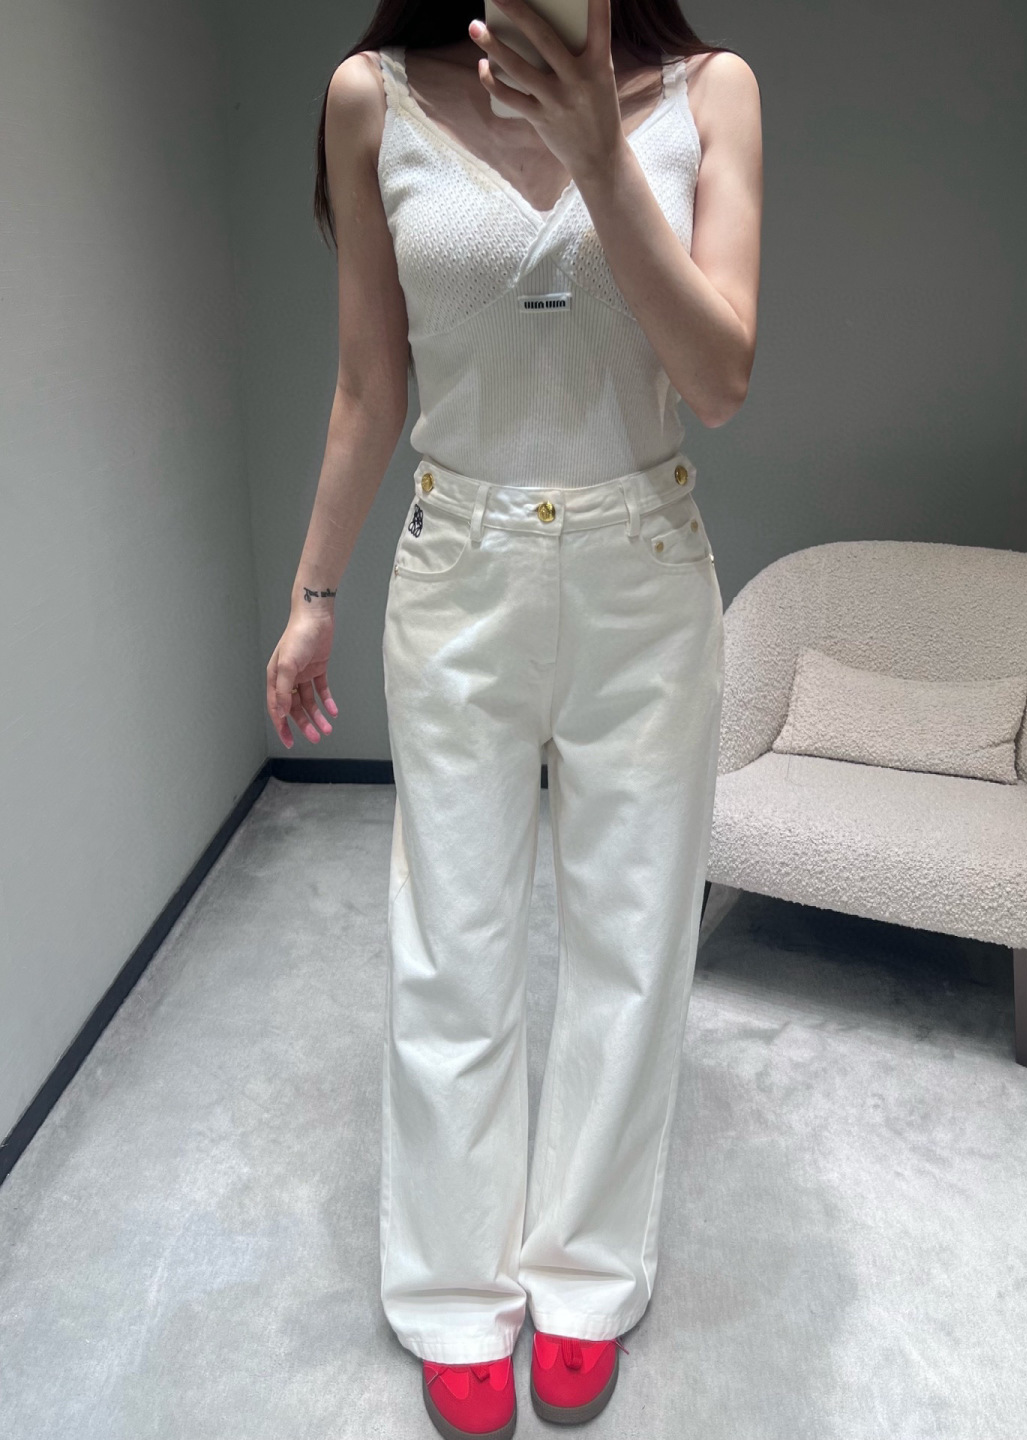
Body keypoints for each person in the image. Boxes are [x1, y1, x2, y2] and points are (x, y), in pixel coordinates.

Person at [266, 1, 761, 1435]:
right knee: (455, 944)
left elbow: (721, 379)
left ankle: (587, 1279)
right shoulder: (370, 100)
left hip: (644, 569)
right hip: (458, 574)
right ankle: (453, 1291)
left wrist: (603, 152)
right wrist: (311, 594)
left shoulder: (712, 94)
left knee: (630, 945)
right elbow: (369, 382)